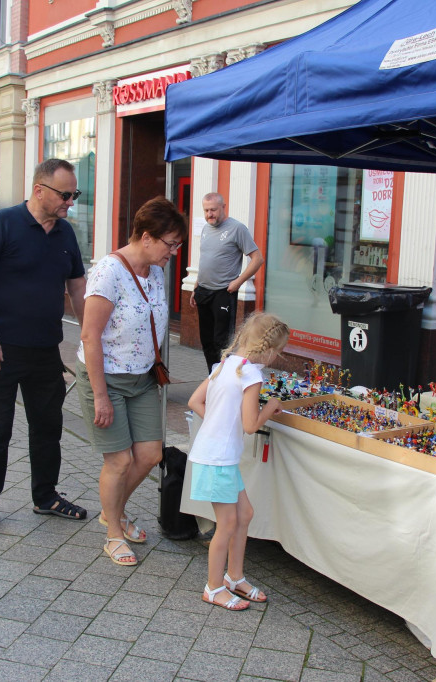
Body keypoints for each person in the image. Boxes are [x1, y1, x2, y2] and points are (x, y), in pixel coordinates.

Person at [0, 158, 88, 535]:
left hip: (45, 351)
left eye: (75, 194)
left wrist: (90, 336)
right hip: (0, 350)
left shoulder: (66, 233)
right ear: (39, 191)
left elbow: (78, 289)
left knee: (48, 427)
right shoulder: (4, 223)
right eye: (65, 194)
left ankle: (46, 496)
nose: (71, 201)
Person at [77, 196, 188, 566]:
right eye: (169, 244)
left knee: (150, 455)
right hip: (106, 378)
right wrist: (100, 396)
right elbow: (90, 335)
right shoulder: (108, 272)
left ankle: (115, 511)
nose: (173, 252)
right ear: (145, 237)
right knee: (120, 461)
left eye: (177, 245)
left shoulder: (155, 271)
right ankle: (112, 534)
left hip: (142, 377)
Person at [186, 312, 289, 609]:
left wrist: (219, 423)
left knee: (244, 515)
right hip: (218, 458)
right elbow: (250, 425)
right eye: (278, 352)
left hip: (215, 455)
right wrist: (270, 407)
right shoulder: (252, 375)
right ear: (268, 350)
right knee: (228, 522)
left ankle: (234, 576)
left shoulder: (225, 364)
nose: (277, 357)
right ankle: (214, 587)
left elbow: (195, 401)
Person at [190, 192, 264, 372]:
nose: (209, 214)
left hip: (224, 292)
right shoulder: (206, 229)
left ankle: (225, 379)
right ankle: (212, 378)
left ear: (223, 207)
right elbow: (206, 259)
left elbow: (257, 259)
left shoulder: (237, 229)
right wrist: (196, 286)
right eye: (206, 210)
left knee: (222, 342)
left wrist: (238, 282)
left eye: (213, 210)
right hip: (203, 291)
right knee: (206, 341)